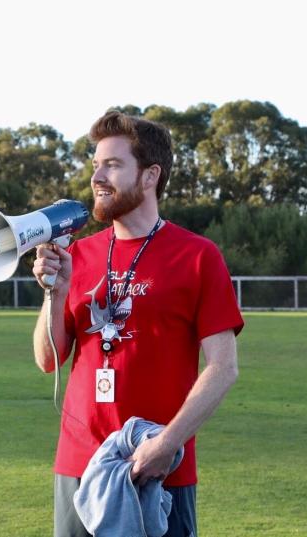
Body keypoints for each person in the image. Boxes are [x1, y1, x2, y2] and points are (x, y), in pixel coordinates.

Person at [32, 110, 243, 537]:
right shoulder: (82, 254)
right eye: (95, 165)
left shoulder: (198, 256)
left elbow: (224, 368)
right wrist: (54, 292)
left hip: (157, 465)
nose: (98, 177)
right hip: (79, 463)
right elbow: (47, 359)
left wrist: (167, 445)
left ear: (150, 176)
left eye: (112, 164)